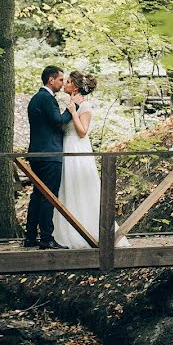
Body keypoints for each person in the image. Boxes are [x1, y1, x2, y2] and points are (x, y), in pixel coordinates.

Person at [53, 71, 130, 249]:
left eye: (69, 81)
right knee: (66, 187)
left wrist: (73, 112)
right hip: (66, 146)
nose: (65, 83)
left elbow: (82, 131)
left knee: (81, 187)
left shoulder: (85, 106)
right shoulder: (70, 102)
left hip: (78, 148)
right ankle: (65, 231)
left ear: (76, 87)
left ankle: (89, 232)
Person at [24, 66, 72, 249]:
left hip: (37, 154)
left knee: (37, 195)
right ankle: (46, 238)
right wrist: (71, 109)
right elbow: (58, 121)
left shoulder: (36, 98)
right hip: (49, 154)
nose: (62, 82)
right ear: (51, 80)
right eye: (60, 79)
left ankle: (30, 236)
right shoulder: (46, 99)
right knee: (49, 196)